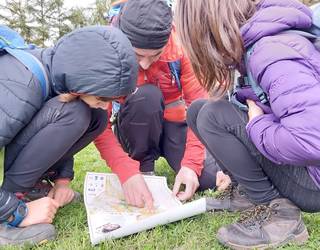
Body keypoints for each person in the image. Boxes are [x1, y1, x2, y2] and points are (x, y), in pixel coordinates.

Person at [175, 0, 320, 249]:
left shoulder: (270, 50)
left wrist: (257, 125)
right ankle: (246, 193)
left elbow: (312, 141)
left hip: (313, 183)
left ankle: (280, 216)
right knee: (200, 110)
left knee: (213, 116)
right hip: (306, 168)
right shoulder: (257, 41)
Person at [0, 25, 138, 246]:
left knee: (94, 117)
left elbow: (57, 128)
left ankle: (30, 188)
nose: (105, 107)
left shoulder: (59, 76)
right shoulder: (21, 86)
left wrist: (62, 181)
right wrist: (14, 212)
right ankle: (8, 213)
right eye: (103, 98)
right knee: (76, 112)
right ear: (82, 80)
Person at [95, 0, 231, 210]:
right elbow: (98, 124)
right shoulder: (105, 55)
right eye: (137, 55)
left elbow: (200, 108)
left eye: (155, 55)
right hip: (135, 125)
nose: (145, 64)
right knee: (147, 96)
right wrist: (126, 171)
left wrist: (191, 165)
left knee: (206, 179)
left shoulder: (182, 49)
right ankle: (143, 168)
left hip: (174, 123)